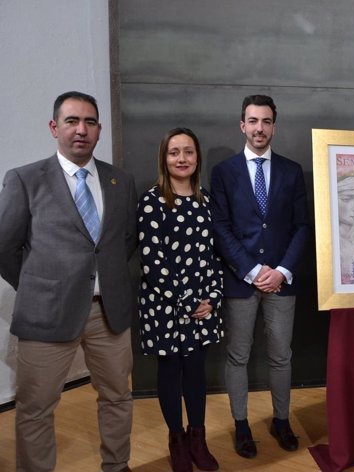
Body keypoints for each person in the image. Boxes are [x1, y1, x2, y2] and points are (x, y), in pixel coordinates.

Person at [0, 91, 137, 472]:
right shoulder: (25, 179)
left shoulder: (119, 180)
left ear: (99, 129)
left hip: (107, 314)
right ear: (54, 127)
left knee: (117, 397)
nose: (81, 130)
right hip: (46, 314)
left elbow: (124, 240)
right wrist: (39, 284)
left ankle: (117, 465)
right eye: (72, 121)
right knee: (36, 408)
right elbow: (5, 247)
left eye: (90, 122)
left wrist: (99, 280)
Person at [210, 95, 309, 459]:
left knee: (281, 356)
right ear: (242, 125)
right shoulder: (224, 172)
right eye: (253, 121)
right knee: (238, 356)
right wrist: (253, 270)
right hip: (240, 281)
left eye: (266, 122)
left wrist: (281, 271)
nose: (259, 128)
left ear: (274, 126)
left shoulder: (291, 170)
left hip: (282, 282)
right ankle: (241, 425)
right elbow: (220, 227)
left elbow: (301, 226)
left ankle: (281, 420)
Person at [137, 128, 223, 472]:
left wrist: (212, 298)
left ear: (197, 156)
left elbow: (214, 255)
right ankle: (176, 440)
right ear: (164, 158)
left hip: (203, 307)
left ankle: (197, 438)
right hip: (165, 308)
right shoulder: (152, 200)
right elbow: (152, 261)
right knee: (171, 372)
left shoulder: (206, 200)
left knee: (196, 373)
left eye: (188, 151)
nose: (182, 158)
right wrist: (187, 303)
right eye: (174, 152)